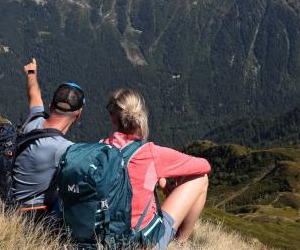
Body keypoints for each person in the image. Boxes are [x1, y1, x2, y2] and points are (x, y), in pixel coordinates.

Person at [101, 88, 210, 249]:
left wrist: (158, 178)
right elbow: (204, 165)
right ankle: (181, 243)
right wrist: (170, 177)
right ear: (141, 116)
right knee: (201, 179)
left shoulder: (99, 148)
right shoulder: (151, 154)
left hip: (103, 238)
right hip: (143, 243)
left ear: (112, 118)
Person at [11, 58, 85, 222]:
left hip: (8, 203)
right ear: (78, 114)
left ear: (50, 106)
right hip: (30, 220)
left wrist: (31, 73)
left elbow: (34, 95)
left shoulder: (33, 121)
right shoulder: (66, 150)